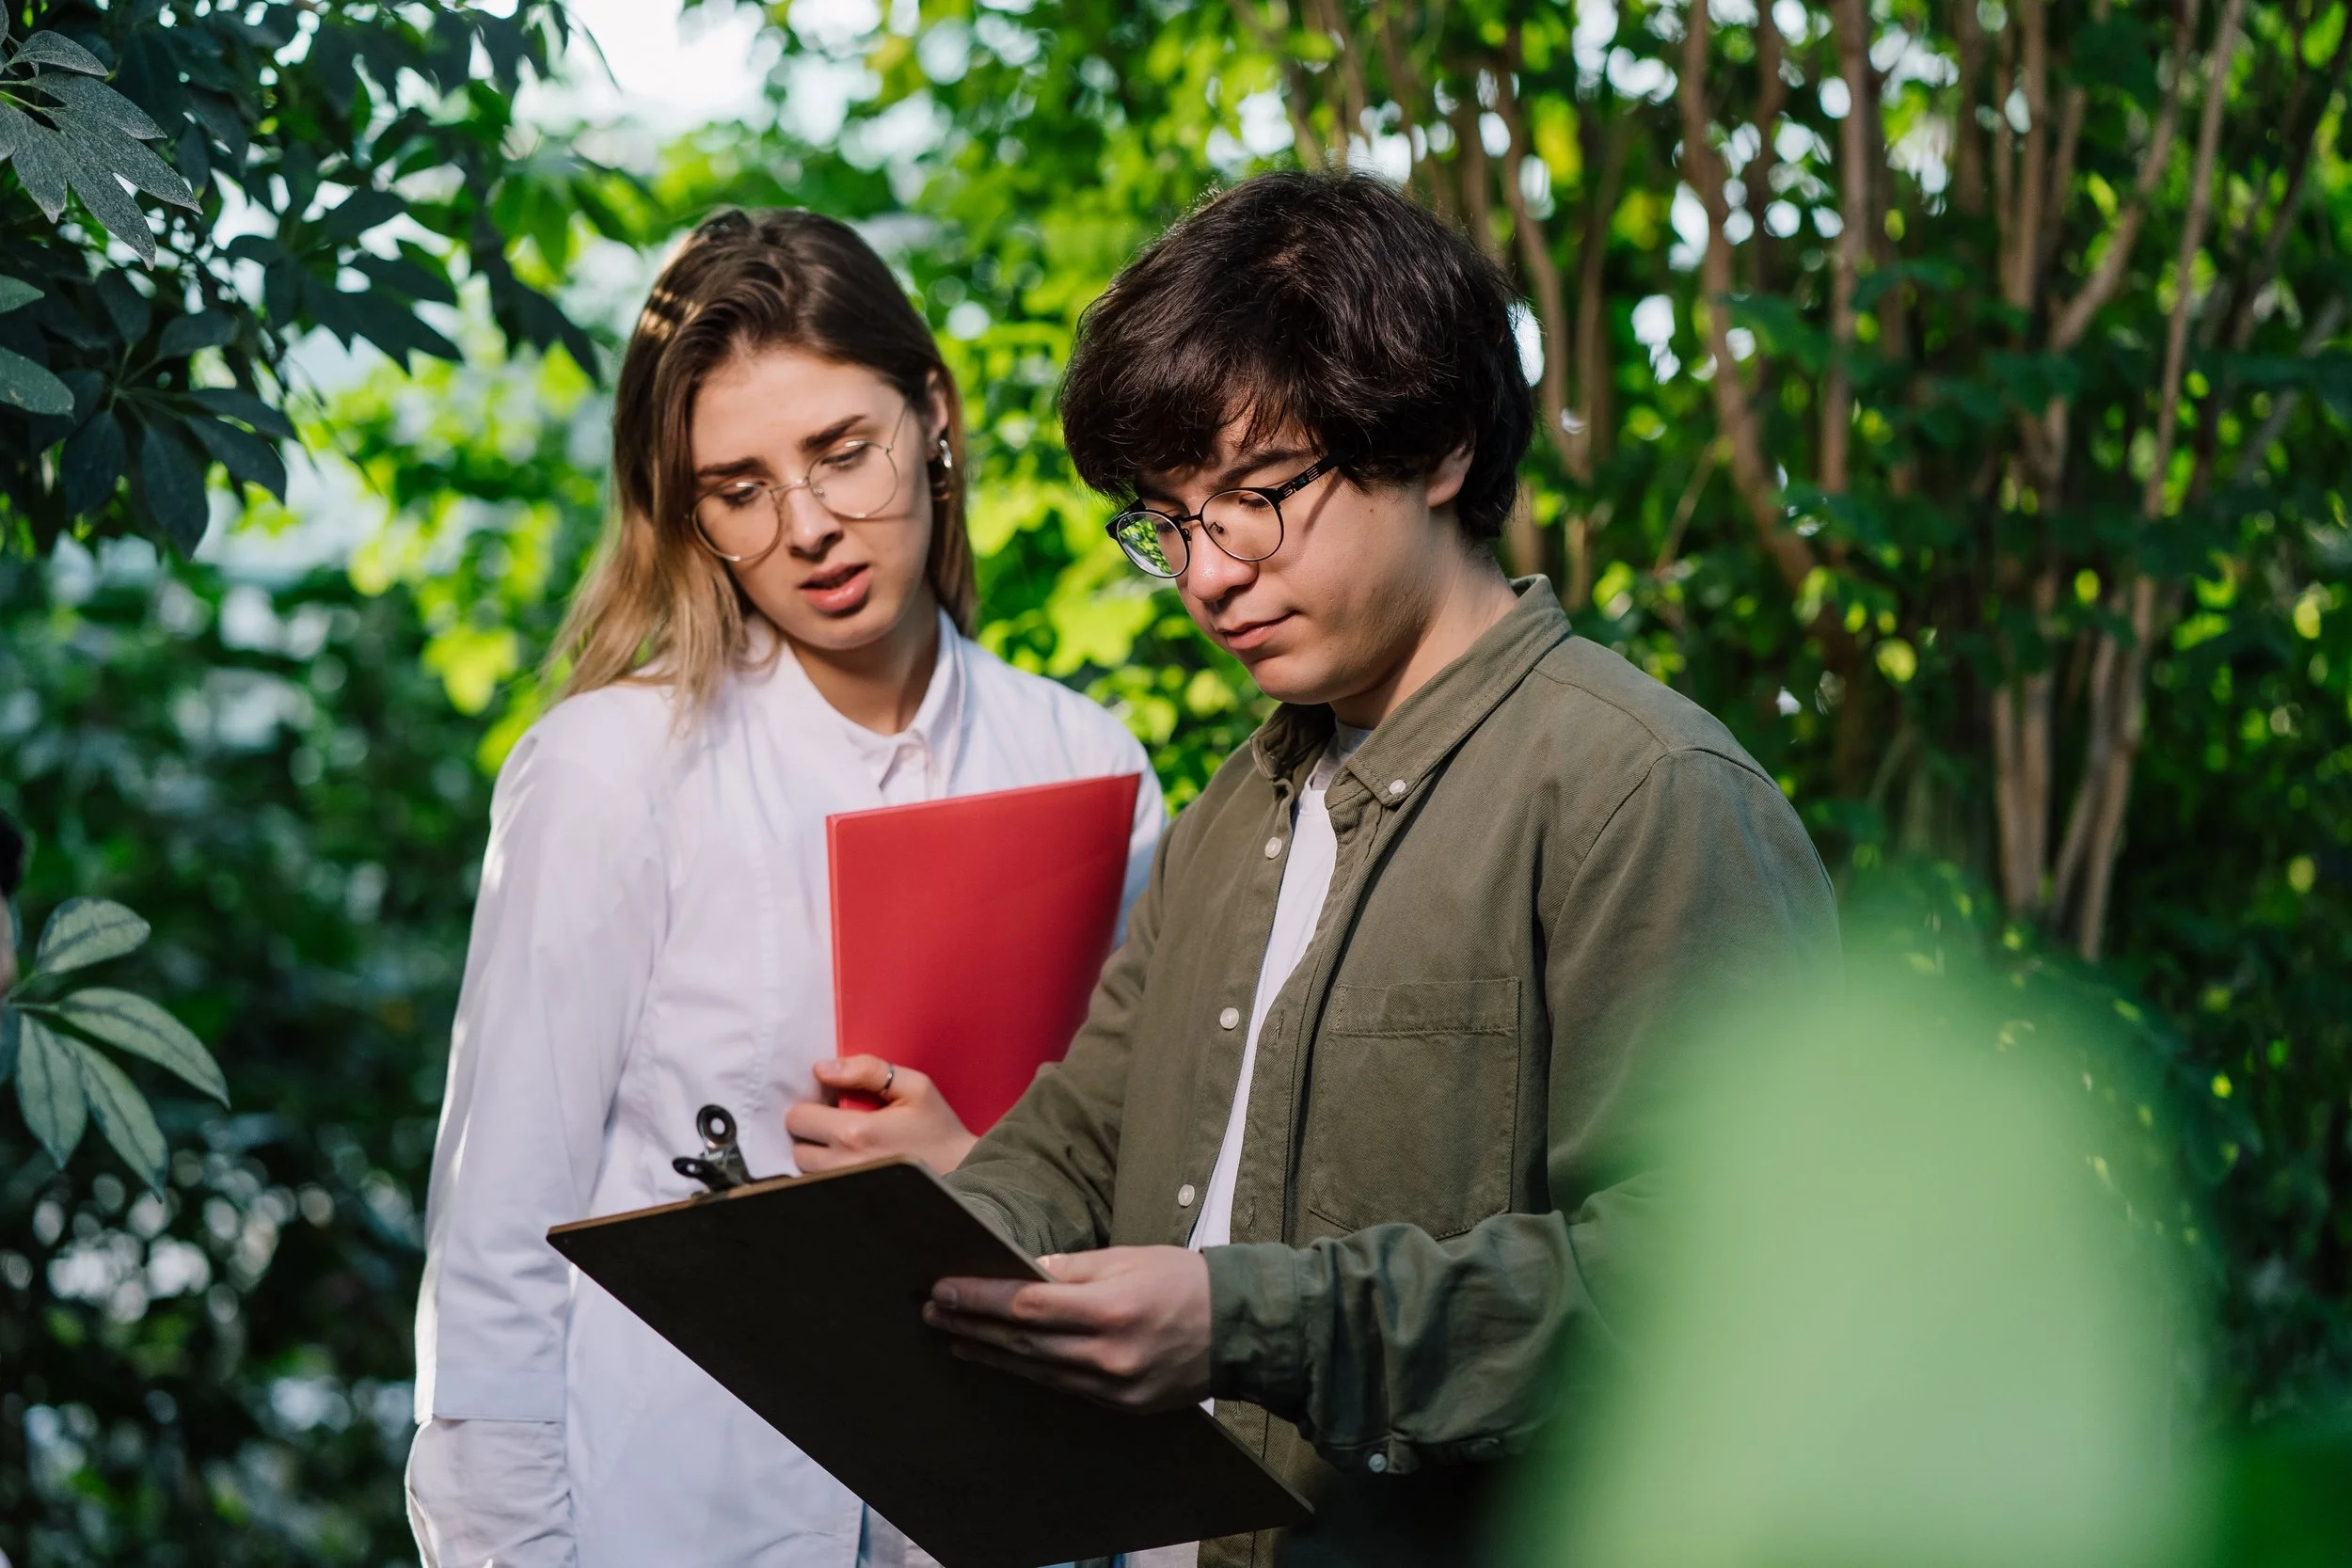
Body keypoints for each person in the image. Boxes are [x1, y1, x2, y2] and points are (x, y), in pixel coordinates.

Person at [921, 171, 1841, 1566]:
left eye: (1257, 496)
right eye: (1169, 519)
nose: (1207, 572)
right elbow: (1085, 1133)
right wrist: (918, 1258)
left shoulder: (1642, 790)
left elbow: (1716, 1283)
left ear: (1442, 448)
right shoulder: (1234, 809)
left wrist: (1250, 1318)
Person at [405, 208, 1164, 1568]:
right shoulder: (608, 769)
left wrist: (978, 1167)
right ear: (689, 511)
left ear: (931, 411)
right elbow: (496, 1249)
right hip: (675, 1522)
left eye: (841, 451)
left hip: (999, 1516)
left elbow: (1158, 1205)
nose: (810, 524)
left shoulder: (1086, 762)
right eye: (740, 487)